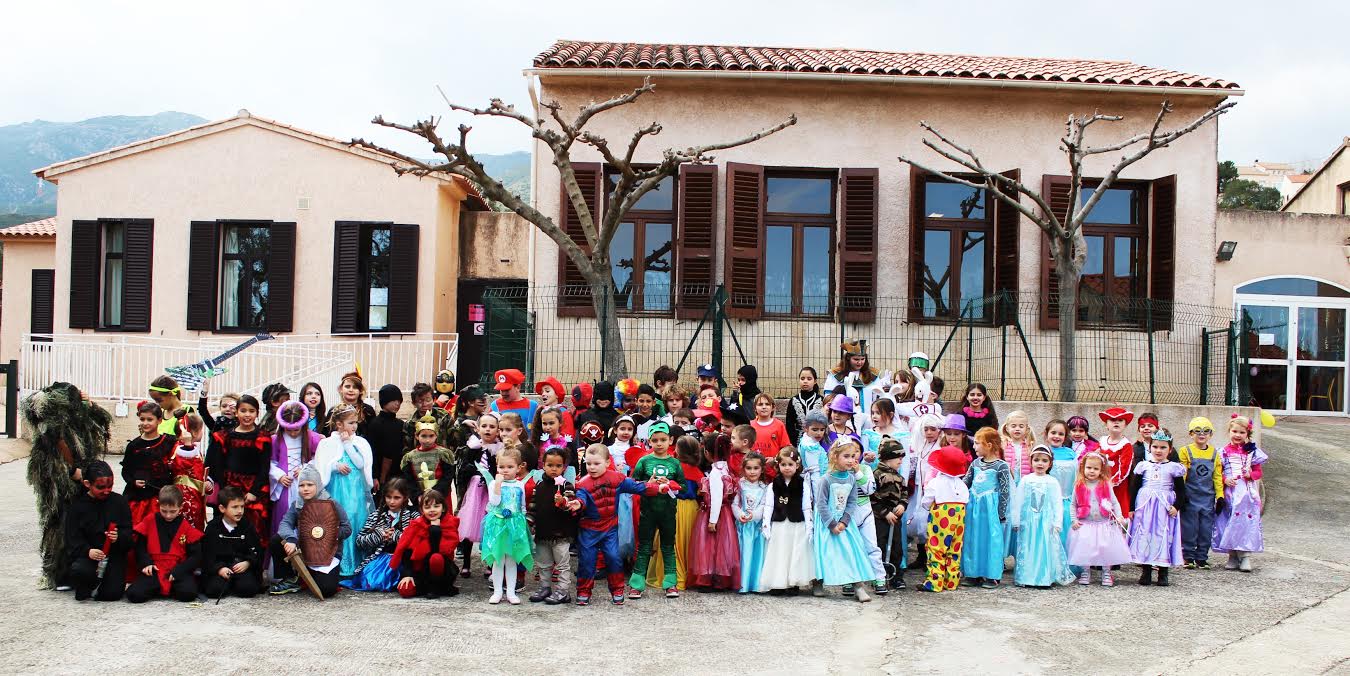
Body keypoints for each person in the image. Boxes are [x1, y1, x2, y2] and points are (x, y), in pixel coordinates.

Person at [23, 382, 113, 590]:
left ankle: (81, 572)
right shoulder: (51, 430)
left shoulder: (82, 422)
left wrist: (90, 404)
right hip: (60, 490)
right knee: (59, 528)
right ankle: (59, 574)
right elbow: (32, 410)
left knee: (85, 526)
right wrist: (71, 473)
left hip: (85, 486)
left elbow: (102, 422)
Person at [572, 444, 654, 606]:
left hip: (609, 527)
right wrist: (577, 504)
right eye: (588, 464)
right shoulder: (582, 484)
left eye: (596, 463)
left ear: (607, 462)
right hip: (589, 529)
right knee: (587, 561)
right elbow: (581, 500)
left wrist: (656, 487)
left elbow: (638, 487)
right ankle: (583, 591)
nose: (592, 467)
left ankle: (617, 590)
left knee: (614, 558)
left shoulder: (617, 478)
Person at [268, 464, 352, 598]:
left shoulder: (332, 504)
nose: (305, 489)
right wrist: (291, 539)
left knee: (327, 590)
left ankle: (309, 576)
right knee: (277, 540)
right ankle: (290, 578)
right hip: (305, 551)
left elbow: (347, 528)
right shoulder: (297, 505)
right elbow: (285, 524)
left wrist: (329, 533)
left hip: (327, 553)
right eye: (302, 485)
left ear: (317, 484)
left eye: (310, 484)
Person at [315, 404, 375, 577]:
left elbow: (360, 463)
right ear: (339, 424)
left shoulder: (359, 442)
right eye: (350, 422)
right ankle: (339, 563)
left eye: (356, 422)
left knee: (356, 518)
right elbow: (321, 467)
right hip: (337, 490)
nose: (354, 426)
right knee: (339, 520)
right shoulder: (326, 444)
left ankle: (357, 561)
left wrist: (348, 444)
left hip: (355, 491)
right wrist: (334, 466)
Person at [811, 440, 875, 602]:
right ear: (834, 457)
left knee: (851, 552)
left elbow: (852, 502)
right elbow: (821, 504)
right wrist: (832, 524)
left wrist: (844, 522)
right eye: (846, 456)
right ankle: (818, 582)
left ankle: (858, 586)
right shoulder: (826, 479)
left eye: (853, 456)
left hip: (845, 522)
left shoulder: (851, 478)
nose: (850, 460)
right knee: (823, 552)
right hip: (827, 523)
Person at [628, 422, 686, 598]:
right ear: (649, 441)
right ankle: (636, 585)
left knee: (668, 547)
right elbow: (632, 483)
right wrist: (648, 484)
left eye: (663, 440)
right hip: (648, 512)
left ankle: (670, 584)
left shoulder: (675, 463)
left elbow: (682, 486)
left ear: (671, 440)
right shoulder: (644, 461)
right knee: (644, 547)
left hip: (668, 513)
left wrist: (670, 484)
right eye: (655, 440)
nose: (659, 443)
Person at [206, 394, 271, 544]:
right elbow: (219, 465)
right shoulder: (225, 436)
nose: (247, 415)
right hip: (231, 487)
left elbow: (264, 467)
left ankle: (252, 563)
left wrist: (254, 492)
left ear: (257, 413)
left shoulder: (263, 436)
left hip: (254, 489)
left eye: (251, 411)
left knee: (254, 528)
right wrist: (225, 490)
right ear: (236, 412)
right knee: (229, 527)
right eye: (243, 410)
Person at [63, 460, 131, 602]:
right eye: (101, 487)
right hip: (88, 558)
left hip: (113, 557)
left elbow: (129, 533)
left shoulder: (120, 502)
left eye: (110, 486)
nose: (106, 491)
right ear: (88, 484)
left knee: (111, 595)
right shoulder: (77, 507)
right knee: (79, 570)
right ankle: (85, 585)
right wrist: (88, 551)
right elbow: (72, 539)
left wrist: (118, 537)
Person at [1010, 447, 1075, 588]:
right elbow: (1018, 501)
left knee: (1044, 547)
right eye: (1037, 460)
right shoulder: (1026, 480)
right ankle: (1027, 577)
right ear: (1031, 461)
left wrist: (1057, 522)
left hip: (1046, 522)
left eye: (1044, 460)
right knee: (1029, 547)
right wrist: (1016, 521)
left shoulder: (1052, 481)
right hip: (1028, 521)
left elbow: (1056, 503)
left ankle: (1043, 578)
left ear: (1050, 463)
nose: (1040, 463)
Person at [1129, 429, 1187, 586]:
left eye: (1163, 447)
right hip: (1145, 506)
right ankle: (1146, 571)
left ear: (1170, 449)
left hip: (1164, 507)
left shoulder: (1174, 468)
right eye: (1155, 447)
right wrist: (1131, 508)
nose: (1158, 450)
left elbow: (1181, 490)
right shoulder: (1143, 466)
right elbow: (1134, 487)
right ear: (1150, 448)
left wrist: (1176, 506)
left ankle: (1163, 572)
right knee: (1145, 534)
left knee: (1162, 535)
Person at [126, 486, 203, 603]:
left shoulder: (186, 526)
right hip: (155, 569)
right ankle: (161, 588)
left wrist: (180, 570)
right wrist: (146, 563)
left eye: (173, 511)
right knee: (134, 594)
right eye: (164, 511)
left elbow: (196, 555)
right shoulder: (149, 520)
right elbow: (140, 547)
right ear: (158, 505)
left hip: (176, 570)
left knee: (188, 594)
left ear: (181, 507)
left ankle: (162, 588)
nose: (168, 515)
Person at [1212, 415, 1268, 573]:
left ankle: (1245, 555)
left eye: (1241, 432)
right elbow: (1217, 472)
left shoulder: (1252, 452)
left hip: (1246, 493)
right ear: (1229, 431)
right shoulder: (1223, 452)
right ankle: (1232, 555)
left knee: (1244, 522)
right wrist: (1224, 479)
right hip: (1230, 492)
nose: (1237, 435)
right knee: (1229, 522)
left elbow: (1258, 472)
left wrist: (1251, 475)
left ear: (1247, 434)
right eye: (1234, 431)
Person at [1068, 453, 1132, 586]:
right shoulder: (1079, 485)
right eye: (1089, 468)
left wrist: (1119, 516)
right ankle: (1086, 571)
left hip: (1104, 523)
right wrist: (1074, 520)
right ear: (1083, 468)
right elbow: (1073, 504)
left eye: (1096, 469)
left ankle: (1106, 572)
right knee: (1085, 548)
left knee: (1105, 548)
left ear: (1101, 470)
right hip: (1086, 523)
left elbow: (1114, 502)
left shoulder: (1105, 484)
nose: (1092, 471)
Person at [688, 434, 741, 592]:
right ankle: (720, 579)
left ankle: (708, 578)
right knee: (722, 547)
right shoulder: (726, 469)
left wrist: (712, 520)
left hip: (714, 512)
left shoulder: (716, 473)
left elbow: (717, 497)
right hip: (725, 514)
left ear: (707, 453)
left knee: (709, 547)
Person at [760, 447, 816, 594]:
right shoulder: (773, 484)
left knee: (795, 552)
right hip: (779, 523)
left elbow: (806, 507)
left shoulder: (803, 484)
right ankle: (778, 583)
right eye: (783, 464)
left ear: (797, 465)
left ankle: (793, 583)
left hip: (797, 523)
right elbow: (768, 505)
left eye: (790, 464)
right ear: (778, 465)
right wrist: (766, 524)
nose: (787, 468)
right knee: (779, 552)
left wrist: (809, 526)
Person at [527, 448, 580, 605]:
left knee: (562, 565)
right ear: (543, 465)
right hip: (543, 533)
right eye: (550, 465)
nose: (554, 469)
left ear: (564, 467)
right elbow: (533, 507)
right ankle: (545, 587)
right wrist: (528, 524)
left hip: (561, 534)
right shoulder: (539, 485)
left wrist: (563, 502)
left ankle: (563, 591)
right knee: (544, 564)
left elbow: (570, 505)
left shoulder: (567, 486)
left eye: (558, 466)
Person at [346, 477, 418, 592]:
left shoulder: (413, 516)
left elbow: (418, 540)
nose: (392, 501)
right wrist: (379, 535)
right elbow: (360, 541)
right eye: (388, 497)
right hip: (382, 559)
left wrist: (396, 536)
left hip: (405, 560)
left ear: (405, 497)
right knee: (372, 582)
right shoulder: (376, 515)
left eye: (397, 498)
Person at [962, 428, 1012, 589]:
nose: (974, 447)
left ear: (989, 445)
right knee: (972, 539)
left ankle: (992, 575)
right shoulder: (975, 464)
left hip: (990, 511)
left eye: (977, 443)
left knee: (991, 541)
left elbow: (1005, 491)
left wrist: (1001, 513)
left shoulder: (1001, 466)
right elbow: (966, 483)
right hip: (973, 509)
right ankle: (972, 573)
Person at [482, 447, 533, 605]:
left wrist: (523, 521)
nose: (505, 470)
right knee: (498, 560)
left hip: (514, 525)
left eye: (510, 467)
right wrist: (497, 484)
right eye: (501, 467)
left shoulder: (519, 485)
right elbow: (495, 502)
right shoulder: (493, 484)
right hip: (498, 525)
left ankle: (510, 592)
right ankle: (497, 591)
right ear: (496, 467)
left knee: (511, 560)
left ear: (519, 468)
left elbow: (522, 505)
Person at [456, 412, 503, 576]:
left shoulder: (499, 450)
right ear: (478, 428)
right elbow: (463, 469)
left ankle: (490, 563)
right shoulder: (472, 447)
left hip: (491, 491)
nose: (488, 430)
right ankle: (466, 563)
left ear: (498, 430)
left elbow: (500, 469)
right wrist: (470, 471)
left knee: (489, 527)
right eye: (484, 426)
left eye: (492, 427)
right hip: (475, 490)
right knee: (470, 524)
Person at [391, 489, 461, 599]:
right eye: (427, 507)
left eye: (436, 506)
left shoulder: (450, 523)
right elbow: (406, 551)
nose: (432, 510)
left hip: (442, 570)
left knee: (435, 558)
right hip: (420, 570)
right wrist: (407, 574)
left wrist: (434, 530)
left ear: (443, 508)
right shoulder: (416, 525)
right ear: (422, 510)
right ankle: (426, 587)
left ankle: (435, 588)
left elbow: (441, 550)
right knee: (405, 590)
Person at [918, 445, 970, 593]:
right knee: (955, 548)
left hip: (941, 515)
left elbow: (926, 501)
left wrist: (929, 507)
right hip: (959, 516)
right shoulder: (962, 484)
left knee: (936, 548)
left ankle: (935, 582)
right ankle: (951, 581)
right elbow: (966, 500)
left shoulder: (936, 482)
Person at [201, 486, 264, 600]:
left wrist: (248, 562)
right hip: (221, 569)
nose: (240, 511)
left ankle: (237, 584)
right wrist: (219, 568)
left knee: (248, 589)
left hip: (241, 567)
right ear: (222, 508)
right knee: (214, 590)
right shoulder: (213, 527)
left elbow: (257, 550)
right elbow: (207, 553)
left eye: (242, 507)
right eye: (234, 507)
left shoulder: (247, 525)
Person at [1178, 416, 1224, 569]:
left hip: (1207, 498)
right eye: (1197, 431)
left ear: (1211, 434)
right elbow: (1182, 474)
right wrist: (1181, 495)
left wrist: (1220, 496)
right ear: (1191, 434)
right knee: (1189, 527)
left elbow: (1217, 476)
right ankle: (1188, 556)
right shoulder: (1186, 451)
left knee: (1206, 528)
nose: (1201, 434)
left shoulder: (1214, 454)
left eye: (1206, 431)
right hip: (1191, 497)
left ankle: (1202, 557)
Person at [270, 401, 321, 537]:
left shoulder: (312, 437)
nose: (293, 433)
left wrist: (306, 468)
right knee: (283, 519)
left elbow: (321, 458)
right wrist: (279, 476)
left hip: (306, 486)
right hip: (284, 487)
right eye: (289, 430)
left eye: (296, 429)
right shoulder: (275, 440)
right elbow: (270, 463)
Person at [123, 401, 176, 527]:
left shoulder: (169, 442)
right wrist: (133, 482)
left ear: (159, 420)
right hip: (138, 498)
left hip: (162, 497)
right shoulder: (133, 446)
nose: (145, 423)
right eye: (142, 419)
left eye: (149, 419)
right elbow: (126, 470)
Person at [871, 439, 908, 590]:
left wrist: (902, 505)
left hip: (896, 519)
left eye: (902, 457)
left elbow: (905, 494)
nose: (900, 460)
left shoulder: (900, 478)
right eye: (897, 457)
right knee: (879, 546)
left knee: (897, 548)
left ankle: (897, 577)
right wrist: (885, 512)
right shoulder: (877, 475)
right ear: (886, 457)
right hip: (880, 518)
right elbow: (872, 497)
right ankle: (878, 576)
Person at [732, 451, 770, 594]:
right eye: (749, 468)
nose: (752, 471)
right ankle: (742, 583)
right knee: (743, 553)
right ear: (744, 469)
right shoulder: (740, 485)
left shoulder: (765, 487)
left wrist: (753, 515)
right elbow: (735, 504)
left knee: (756, 554)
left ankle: (755, 583)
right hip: (743, 527)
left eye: (756, 468)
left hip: (756, 527)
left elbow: (764, 505)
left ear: (762, 469)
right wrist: (740, 515)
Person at [401, 416, 457, 506]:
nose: (427, 440)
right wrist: (417, 496)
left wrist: (436, 493)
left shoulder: (444, 454)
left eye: (431, 436)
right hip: (420, 498)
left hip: (441, 497)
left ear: (436, 435)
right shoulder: (409, 457)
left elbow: (447, 477)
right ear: (417, 436)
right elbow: (409, 480)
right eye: (423, 436)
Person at [172, 411, 209, 531]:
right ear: (192, 432)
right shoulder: (180, 449)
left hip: (196, 494)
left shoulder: (194, 449)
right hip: (186, 496)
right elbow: (185, 464)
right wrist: (187, 445)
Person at [1096, 407, 1136, 515]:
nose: (1116, 422)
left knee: (1116, 512)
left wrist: (1111, 483)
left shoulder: (1126, 445)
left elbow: (1124, 469)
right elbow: (1096, 460)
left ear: (1125, 424)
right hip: (1100, 482)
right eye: (1112, 420)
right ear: (1106, 424)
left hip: (1117, 486)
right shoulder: (1102, 441)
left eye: (1120, 420)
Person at [368, 384, 406, 491]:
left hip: (398, 474)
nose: (397, 404)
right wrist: (374, 476)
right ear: (384, 401)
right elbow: (372, 451)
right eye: (393, 400)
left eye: (399, 401)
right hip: (381, 475)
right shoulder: (375, 424)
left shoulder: (400, 424)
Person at [330, 371, 377, 438]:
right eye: (347, 386)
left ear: (360, 391)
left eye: (355, 387)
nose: (351, 390)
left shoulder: (368, 411)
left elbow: (373, 435)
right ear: (341, 389)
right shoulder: (334, 411)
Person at [785, 367, 823, 447]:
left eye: (809, 379)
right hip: (798, 440)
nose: (805, 381)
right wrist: (794, 442)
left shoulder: (821, 400)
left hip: (818, 440)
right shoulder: (794, 400)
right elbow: (789, 424)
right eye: (802, 379)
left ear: (815, 381)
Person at [999, 410, 1036, 483]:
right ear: (1007, 428)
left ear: (1026, 429)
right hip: (1007, 480)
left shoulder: (1029, 446)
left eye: (1021, 426)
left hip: (1024, 481)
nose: (1017, 429)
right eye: (1013, 426)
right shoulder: (1003, 445)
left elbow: (1033, 466)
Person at [799, 410, 830, 485]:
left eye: (822, 429)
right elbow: (815, 472)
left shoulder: (810, 442)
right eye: (815, 429)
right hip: (816, 481)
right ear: (806, 429)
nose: (819, 433)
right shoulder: (810, 447)